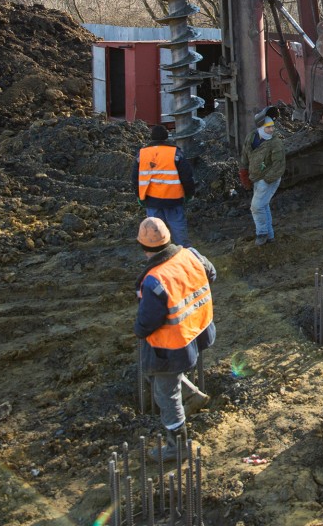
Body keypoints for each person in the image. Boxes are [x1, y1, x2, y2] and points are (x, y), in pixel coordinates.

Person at [134, 217, 216, 460]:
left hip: (173, 346)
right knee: (162, 379)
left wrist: (138, 330)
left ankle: (177, 447)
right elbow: (211, 273)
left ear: (143, 247)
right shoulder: (191, 255)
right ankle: (192, 395)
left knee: (165, 394)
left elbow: (147, 322)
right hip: (199, 331)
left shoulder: (154, 280)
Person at [135, 125, 196, 248]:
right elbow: (187, 177)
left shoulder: (142, 154)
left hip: (152, 200)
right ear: (166, 137)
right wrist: (189, 193)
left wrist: (139, 196)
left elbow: (135, 178)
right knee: (178, 227)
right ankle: (184, 252)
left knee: (154, 229)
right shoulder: (175, 153)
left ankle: (157, 252)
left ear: (151, 137)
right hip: (173, 199)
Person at [239, 110, 286, 246]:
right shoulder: (251, 137)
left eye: (272, 127)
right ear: (260, 128)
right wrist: (244, 172)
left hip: (268, 179)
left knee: (256, 207)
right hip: (256, 178)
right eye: (268, 127)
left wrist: (266, 180)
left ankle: (262, 233)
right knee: (263, 206)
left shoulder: (275, 143)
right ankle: (270, 237)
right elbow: (245, 155)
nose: (271, 130)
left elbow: (278, 165)